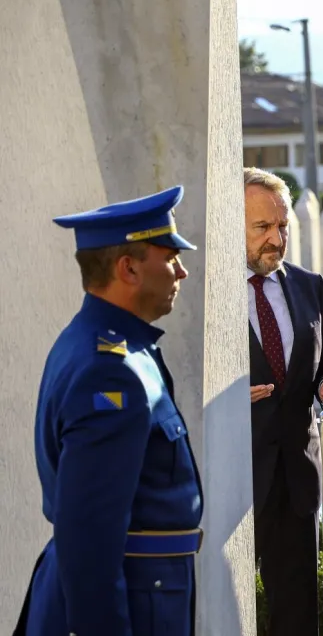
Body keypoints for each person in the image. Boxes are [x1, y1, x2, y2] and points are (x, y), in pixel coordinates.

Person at [15, 186, 203, 636]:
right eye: (169, 256)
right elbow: (90, 538)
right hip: (136, 601)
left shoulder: (106, 345)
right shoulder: (111, 369)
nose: (182, 270)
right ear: (129, 268)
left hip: (149, 591)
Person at [244, 168, 323, 636]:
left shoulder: (308, 285)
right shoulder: (205, 293)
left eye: (282, 226)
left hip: (297, 483)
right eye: (262, 227)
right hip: (235, 485)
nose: (276, 238)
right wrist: (222, 405)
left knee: (297, 617)